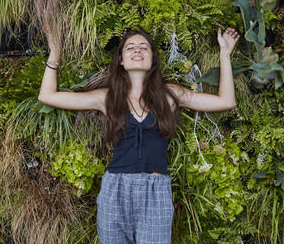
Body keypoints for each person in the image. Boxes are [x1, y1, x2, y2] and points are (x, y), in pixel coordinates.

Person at [38, 27, 239, 244]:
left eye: (144, 47)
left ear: (152, 60)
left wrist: (225, 55)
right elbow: (47, 96)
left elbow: (226, 101)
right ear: (122, 60)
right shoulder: (107, 98)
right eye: (130, 47)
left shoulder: (170, 95)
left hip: (155, 191)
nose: (137, 50)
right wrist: (55, 54)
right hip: (115, 190)